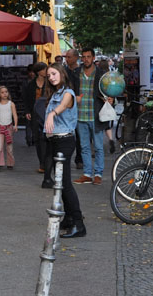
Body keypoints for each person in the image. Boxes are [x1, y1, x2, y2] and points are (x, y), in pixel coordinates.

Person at [45, 62, 85, 238]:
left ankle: (78, 223)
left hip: (64, 141)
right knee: (60, 184)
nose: (51, 77)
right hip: (56, 141)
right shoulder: (55, 93)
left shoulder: (68, 93)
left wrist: (52, 114)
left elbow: (62, 107)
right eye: (49, 75)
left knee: (65, 184)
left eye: (54, 73)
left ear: (62, 73)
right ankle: (69, 219)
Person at [74, 48, 112, 186]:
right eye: (83, 57)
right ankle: (87, 173)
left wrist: (110, 98)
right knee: (84, 147)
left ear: (93, 57)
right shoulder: (76, 73)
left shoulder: (101, 74)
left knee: (98, 147)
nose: (86, 59)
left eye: (88, 56)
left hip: (95, 115)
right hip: (80, 116)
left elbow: (109, 91)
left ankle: (98, 174)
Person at [0, 86, 18, 171]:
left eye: (6, 92)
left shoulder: (11, 104)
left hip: (9, 127)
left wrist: (15, 125)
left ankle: (10, 163)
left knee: (9, 147)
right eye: (2, 92)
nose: (5, 94)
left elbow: (15, 115)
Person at [64, 49, 82, 169]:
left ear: (75, 57)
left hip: (79, 105)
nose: (67, 59)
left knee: (80, 134)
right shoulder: (64, 71)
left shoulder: (80, 71)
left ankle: (79, 159)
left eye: (69, 57)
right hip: (66, 105)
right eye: (66, 57)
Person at [19, 66, 38, 147]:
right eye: (30, 72)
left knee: (35, 123)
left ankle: (34, 139)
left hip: (36, 105)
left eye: (33, 72)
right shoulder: (25, 82)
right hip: (28, 104)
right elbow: (23, 94)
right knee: (28, 123)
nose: (32, 74)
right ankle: (29, 139)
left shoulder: (37, 81)